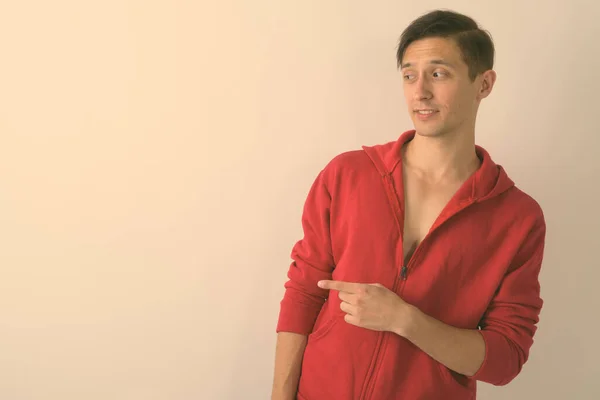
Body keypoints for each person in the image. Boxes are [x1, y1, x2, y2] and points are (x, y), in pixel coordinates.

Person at [271, 9, 546, 400]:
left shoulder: (517, 218)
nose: (420, 92)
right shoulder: (347, 175)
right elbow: (303, 293)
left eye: (439, 73)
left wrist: (406, 320)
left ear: (483, 84)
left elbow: (506, 358)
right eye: (409, 75)